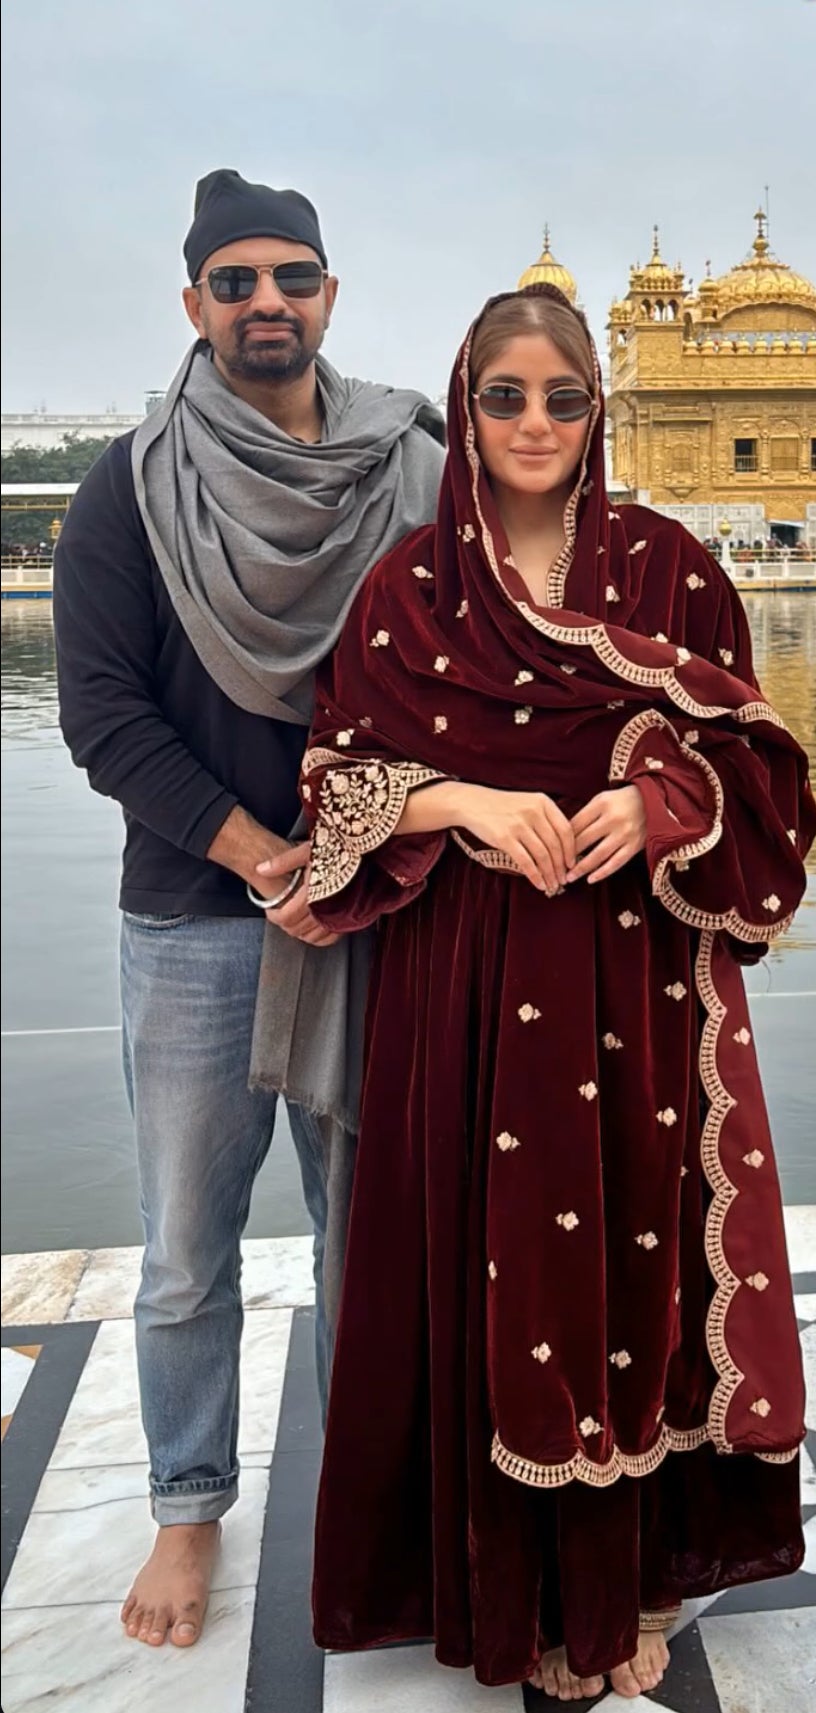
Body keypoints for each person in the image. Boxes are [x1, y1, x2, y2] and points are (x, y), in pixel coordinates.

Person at [265, 283, 814, 1699]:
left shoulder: (669, 568)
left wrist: (659, 803)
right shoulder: (413, 587)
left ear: (596, 410)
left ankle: (633, 1584)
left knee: (639, 1256)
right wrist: (456, 798)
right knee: (502, 1260)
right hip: (473, 988)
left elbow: (761, 770)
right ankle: (519, 1601)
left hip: (639, 981)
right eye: (502, 396)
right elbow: (333, 780)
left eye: (559, 397)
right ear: (465, 406)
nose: (531, 423)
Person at [53, 168, 444, 1652]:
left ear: (330, 293)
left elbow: (474, 666)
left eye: (291, 278)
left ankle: (373, 1499)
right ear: (196, 304)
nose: (266, 303)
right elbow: (102, 713)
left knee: (375, 1232)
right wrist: (255, 850)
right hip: (202, 920)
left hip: (378, 908)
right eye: (236, 283)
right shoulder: (132, 484)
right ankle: (187, 1507)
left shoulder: (410, 462)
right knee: (183, 1247)